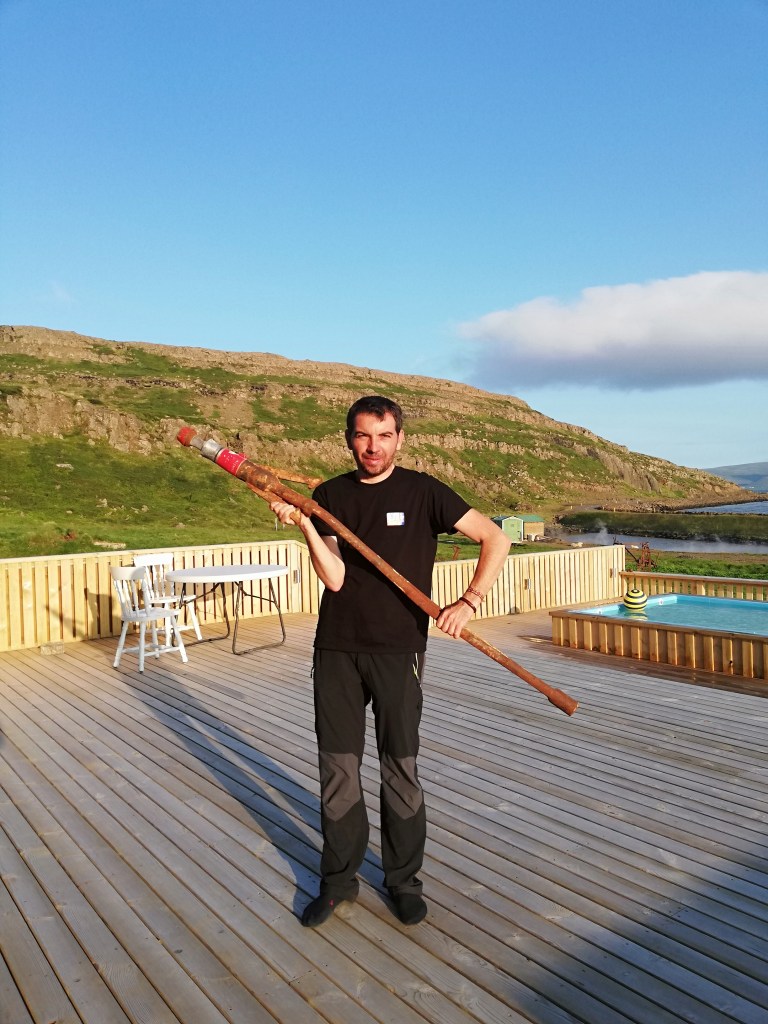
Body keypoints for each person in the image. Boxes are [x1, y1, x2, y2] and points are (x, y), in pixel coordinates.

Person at [271, 395, 510, 927]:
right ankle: (338, 882)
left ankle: (403, 882)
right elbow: (335, 578)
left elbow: (496, 538)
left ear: (400, 438)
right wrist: (306, 524)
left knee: (400, 765)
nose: (373, 447)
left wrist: (469, 601)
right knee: (339, 768)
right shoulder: (329, 495)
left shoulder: (424, 492)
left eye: (383, 435)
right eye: (363, 435)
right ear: (349, 439)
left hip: (400, 651)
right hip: (337, 650)